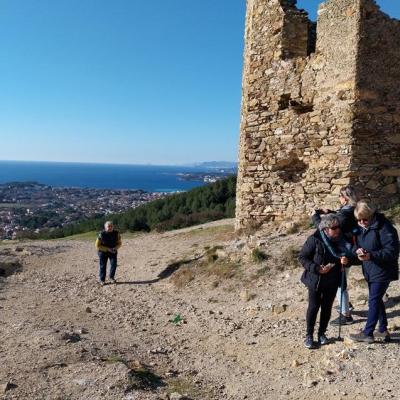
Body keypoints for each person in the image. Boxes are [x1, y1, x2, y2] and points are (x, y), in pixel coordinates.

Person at [299, 214, 352, 349]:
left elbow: (348, 256)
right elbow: (302, 258)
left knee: (327, 308)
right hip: (315, 279)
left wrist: (345, 261)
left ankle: (322, 334)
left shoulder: (340, 240)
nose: (338, 230)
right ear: (325, 229)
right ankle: (309, 335)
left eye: (338, 227)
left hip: (332, 280)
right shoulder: (314, 239)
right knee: (313, 306)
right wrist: (317, 268)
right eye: (334, 228)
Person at [349, 200, 399, 343]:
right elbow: (355, 244)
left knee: (374, 300)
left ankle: (368, 332)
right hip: (370, 270)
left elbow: (392, 252)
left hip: (383, 270)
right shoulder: (361, 227)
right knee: (376, 299)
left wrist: (371, 255)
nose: (362, 222)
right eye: (359, 220)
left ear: (372, 215)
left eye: (365, 219)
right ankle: (383, 330)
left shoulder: (385, 228)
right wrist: (357, 250)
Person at [312, 185, 360, 326]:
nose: (339, 198)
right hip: (351, 251)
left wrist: (314, 216)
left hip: (342, 253)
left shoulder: (343, 216)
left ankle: (346, 315)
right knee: (342, 281)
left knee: (339, 284)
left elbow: (324, 228)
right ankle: (346, 304)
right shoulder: (355, 210)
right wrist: (331, 212)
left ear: (345, 198)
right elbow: (342, 218)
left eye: (340, 196)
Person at [95, 221, 122, 286]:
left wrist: (115, 248)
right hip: (102, 252)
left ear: (113, 227)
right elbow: (97, 245)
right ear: (105, 227)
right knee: (103, 266)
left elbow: (119, 243)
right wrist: (107, 249)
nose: (110, 227)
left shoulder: (117, 233)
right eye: (108, 226)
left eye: (111, 226)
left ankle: (111, 277)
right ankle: (102, 280)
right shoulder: (101, 234)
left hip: (113, 251)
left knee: (114, 265)